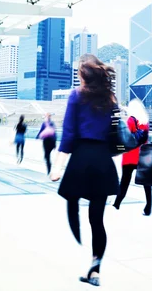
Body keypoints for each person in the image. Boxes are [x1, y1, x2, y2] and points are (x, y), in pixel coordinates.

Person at [50, 54, 120, 287]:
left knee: (70, 196)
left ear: (82, 75)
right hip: (102, 160)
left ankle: (76, 232)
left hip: (81, 158)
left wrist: (57, 167)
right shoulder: (111, 98)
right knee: (97, 221)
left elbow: (68, 135)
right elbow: (116, 133)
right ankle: (95, 270)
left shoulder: (76, 95)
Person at [113, 100, 152, 216]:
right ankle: (148, 207)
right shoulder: (145, 121)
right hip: (143, 155)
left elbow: (126, 137)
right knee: (146, 183)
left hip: (130, 155)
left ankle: (117, 203)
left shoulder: (130, 120)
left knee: (125, 181)